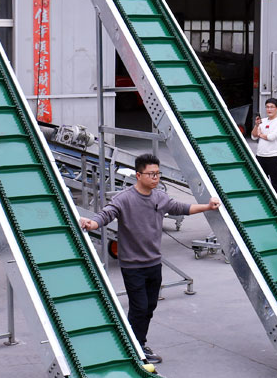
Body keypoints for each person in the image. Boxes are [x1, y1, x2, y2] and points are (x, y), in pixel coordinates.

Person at [79, 153, 220, 364]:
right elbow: (106, 214)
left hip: (153, 263)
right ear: (138, 175)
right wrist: (92, 224)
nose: (155, 178)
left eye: (158, 174)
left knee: (149, 306)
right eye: (151, 174)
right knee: (139, 307)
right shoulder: (124, 199)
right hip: (132, 265)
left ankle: (134, 342)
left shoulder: (159, 198)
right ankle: (136, 347)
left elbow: (182, 208)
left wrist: (207, 207)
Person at [251, 97, 277, 200]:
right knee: (260, 182)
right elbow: (253, 136)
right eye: (267, 107)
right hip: (260, 156)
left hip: (273, 156)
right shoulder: (262, 121)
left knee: (275, 182)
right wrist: (257, 126)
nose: (269, 109)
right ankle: (264, 202)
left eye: (272, 107)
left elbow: (271, 137)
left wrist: (260, 135)